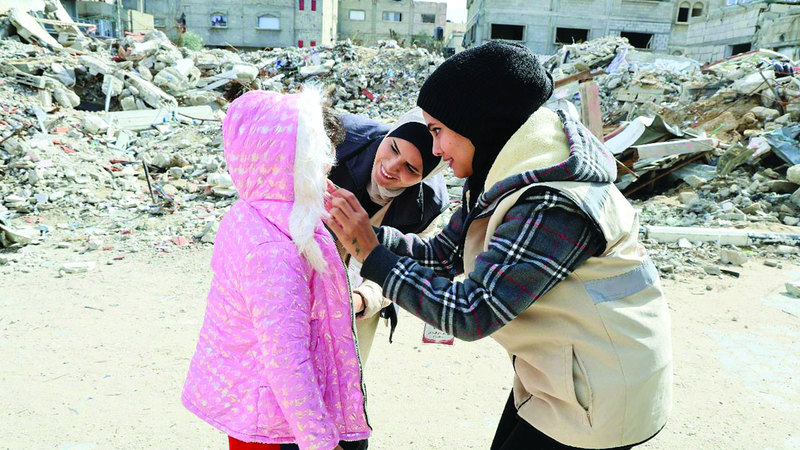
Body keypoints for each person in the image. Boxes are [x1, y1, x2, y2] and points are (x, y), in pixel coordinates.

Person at [323, 41, 672, 449]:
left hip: (603, 387)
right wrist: (363, 232)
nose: (435, 150)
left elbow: (472, 311)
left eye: (438, 131)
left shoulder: (551, 202)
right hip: (559, 369)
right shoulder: (503, 171)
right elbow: (444, 255)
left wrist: (373, 256)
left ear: (476, 122)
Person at [182, 89, 370, 450]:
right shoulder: (274, 250)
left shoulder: (249, 213)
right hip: (283, 427)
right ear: (287, 161)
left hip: (259, 410)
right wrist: (321, 442)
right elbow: (287, 361)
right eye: (318, 153)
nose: (329, 164)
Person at [328, 107, 448, 363]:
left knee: (346, 365)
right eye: (393, 148)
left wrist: (362, 299)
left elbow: (404, 268)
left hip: (362, 292)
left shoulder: (428, 205)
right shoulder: (338, 140)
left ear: (426, 176)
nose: (391, 168)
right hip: (300, 264)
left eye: (411, 169)